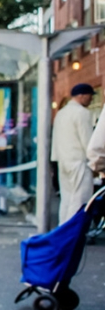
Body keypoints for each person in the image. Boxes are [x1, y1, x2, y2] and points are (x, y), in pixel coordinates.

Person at [51, 83, 96, 224]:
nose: (91, 100)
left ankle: (62, 230)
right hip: (79, 162)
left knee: (66, 199)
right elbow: (88, 141)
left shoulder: (61, 113)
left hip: (63, 161)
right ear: (82, 96)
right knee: (80, 200)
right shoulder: (83, 113)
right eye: (90, 96)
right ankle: (73, 233)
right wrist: (96, 163)